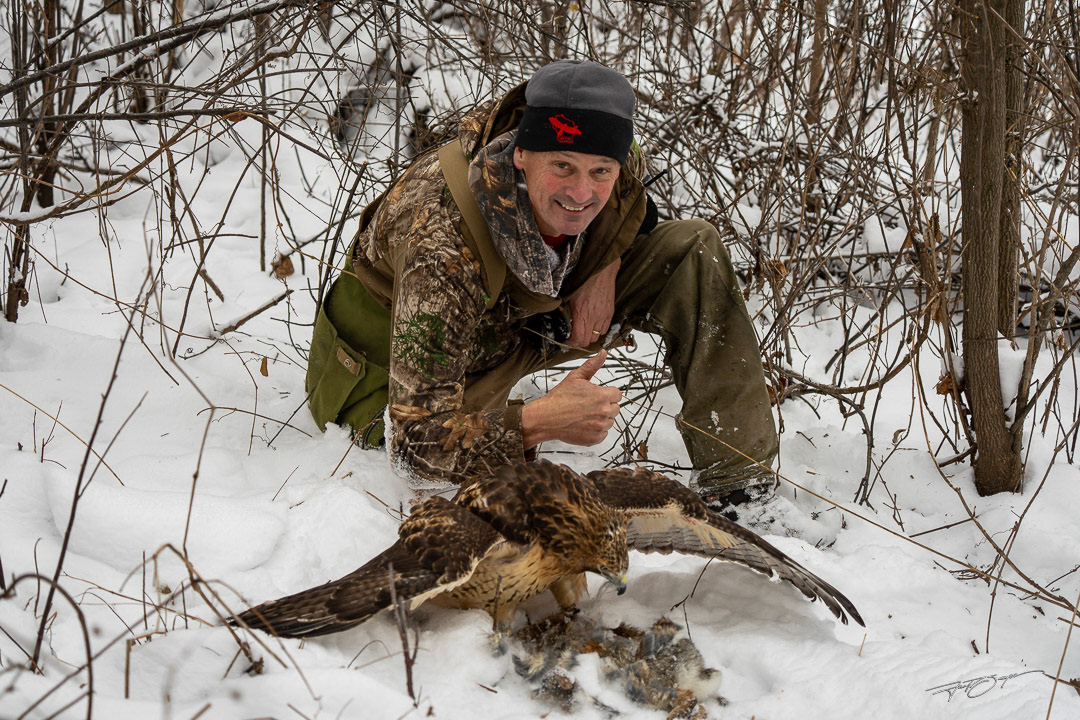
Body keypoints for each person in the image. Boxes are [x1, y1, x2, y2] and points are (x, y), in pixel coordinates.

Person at [304, 59, 778, 503]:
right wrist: (538, 421)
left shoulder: (605, 148)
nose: (581, 191)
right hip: (394, 380)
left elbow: (630, 189)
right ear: (521, 154)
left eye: (600, 171)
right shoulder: (443, 244)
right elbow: (416, 451)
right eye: (562, 167)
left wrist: (605, 262)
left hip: (518, 324)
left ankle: (740, 488)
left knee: (692, 248)